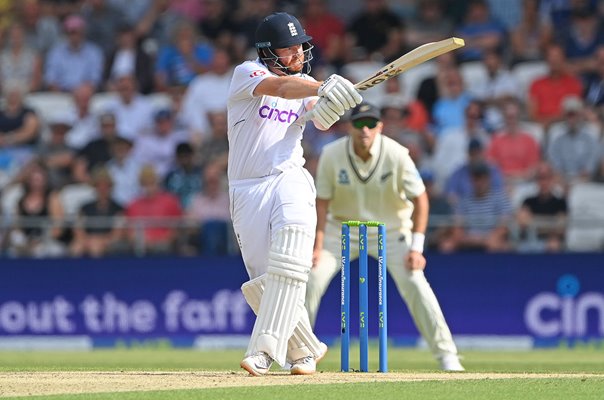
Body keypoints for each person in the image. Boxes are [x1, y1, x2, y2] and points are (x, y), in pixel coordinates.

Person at [227, 12, 362, 376]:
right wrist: (323, 87)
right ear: (268, 54)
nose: (296, 56)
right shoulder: (247, 74)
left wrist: (338, 101)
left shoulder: (304, 81)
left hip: (289, 176)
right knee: (263, 281)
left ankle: (264, 350)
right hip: (246, 188)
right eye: (287, 51)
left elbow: (320, 119)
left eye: (299, 48)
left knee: (290, 259)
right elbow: (283, 89)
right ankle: (305, 348)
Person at [307, 102, 465, 372]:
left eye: (370, 124)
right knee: (311, 278)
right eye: (358, 124)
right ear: (349, 127)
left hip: (391, 231)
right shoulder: (331, 154)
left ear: (380, 126)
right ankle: (300, 353)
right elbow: (322, 202)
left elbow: (421, 199)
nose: (364, 129)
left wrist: (417, 247)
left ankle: (447, 355)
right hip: (341, 230)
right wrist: (317, 246)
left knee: (415, 283)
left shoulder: (397, 154)